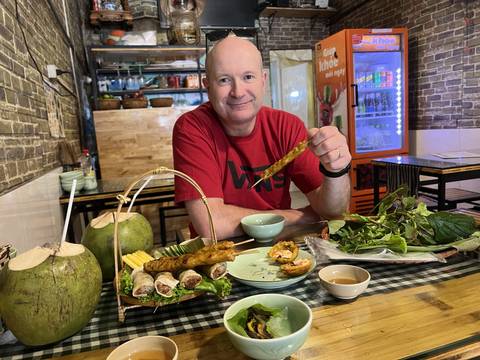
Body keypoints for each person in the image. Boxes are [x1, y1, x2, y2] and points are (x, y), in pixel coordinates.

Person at [173, 36, 352, 240]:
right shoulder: (192, 128)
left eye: (248, 77)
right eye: (224, 80)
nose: (238, 92)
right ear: (208, 86)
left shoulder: (286, 126)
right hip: (217, 259)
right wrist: (300, 216)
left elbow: (333, 212)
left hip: (280, 253)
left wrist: (335, 170)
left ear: (263, 80)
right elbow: (212, 225)